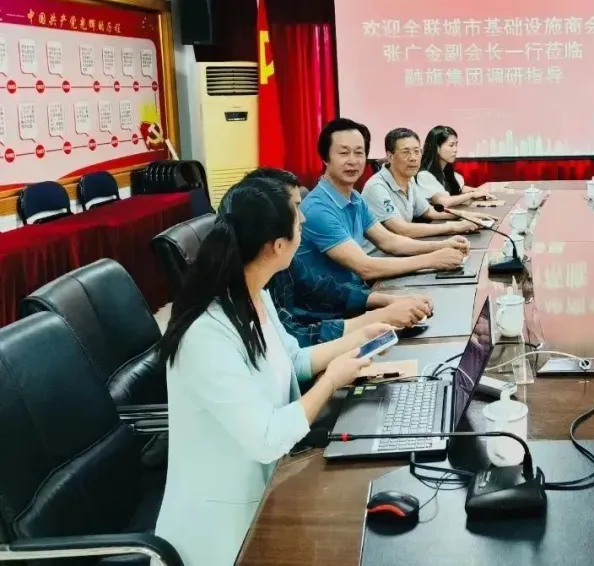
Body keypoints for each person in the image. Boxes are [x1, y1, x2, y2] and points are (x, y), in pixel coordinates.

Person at [154, 179, 388, 566]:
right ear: (278, 246)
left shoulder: (255, 294)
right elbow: (266, 438)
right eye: (298, 224)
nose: (304, 230)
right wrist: (332, 380)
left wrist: (360, 338)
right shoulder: (206, 334)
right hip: (226, 530)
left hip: (274, 485)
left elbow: (292, 361)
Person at [242, 168, 433, 346]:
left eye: (359, 152)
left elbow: (324, 289)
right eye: (296, 207)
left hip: (329, 325)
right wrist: (380, 317)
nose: (303, 218)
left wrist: (388, 301)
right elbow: (295, 340)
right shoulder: (250, 286)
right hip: (317, 330)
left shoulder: (283, 261)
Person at [298, 118, 469, 286]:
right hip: (338, 300)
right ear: (325, 158)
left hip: (357, 290)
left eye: (359, 153)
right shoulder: (317, 208)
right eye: (344, 153)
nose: (353, 161)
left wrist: (443, 245)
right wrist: (431, 260)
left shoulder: (355, 198)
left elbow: (389, 241)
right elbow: (365, 267)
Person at [362, 127, 496, 241]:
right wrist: (453, 227)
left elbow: (429, 212)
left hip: (402, 247)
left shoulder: (409, 180)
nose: (413, 158)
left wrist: (466, 215)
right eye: (406, 152)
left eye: (416, 151)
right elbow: (401, 229)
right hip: (379, 256)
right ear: (390, 156)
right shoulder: (377, 187)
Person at [417, 125, 493, 208]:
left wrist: (476, 190)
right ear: (437, 148)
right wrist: (471, 194)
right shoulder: (424, 175)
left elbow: (458, 188)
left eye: (456, 145)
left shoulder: (447, 171)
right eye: (451, 145)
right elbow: (443, 202)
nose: (455, 150)